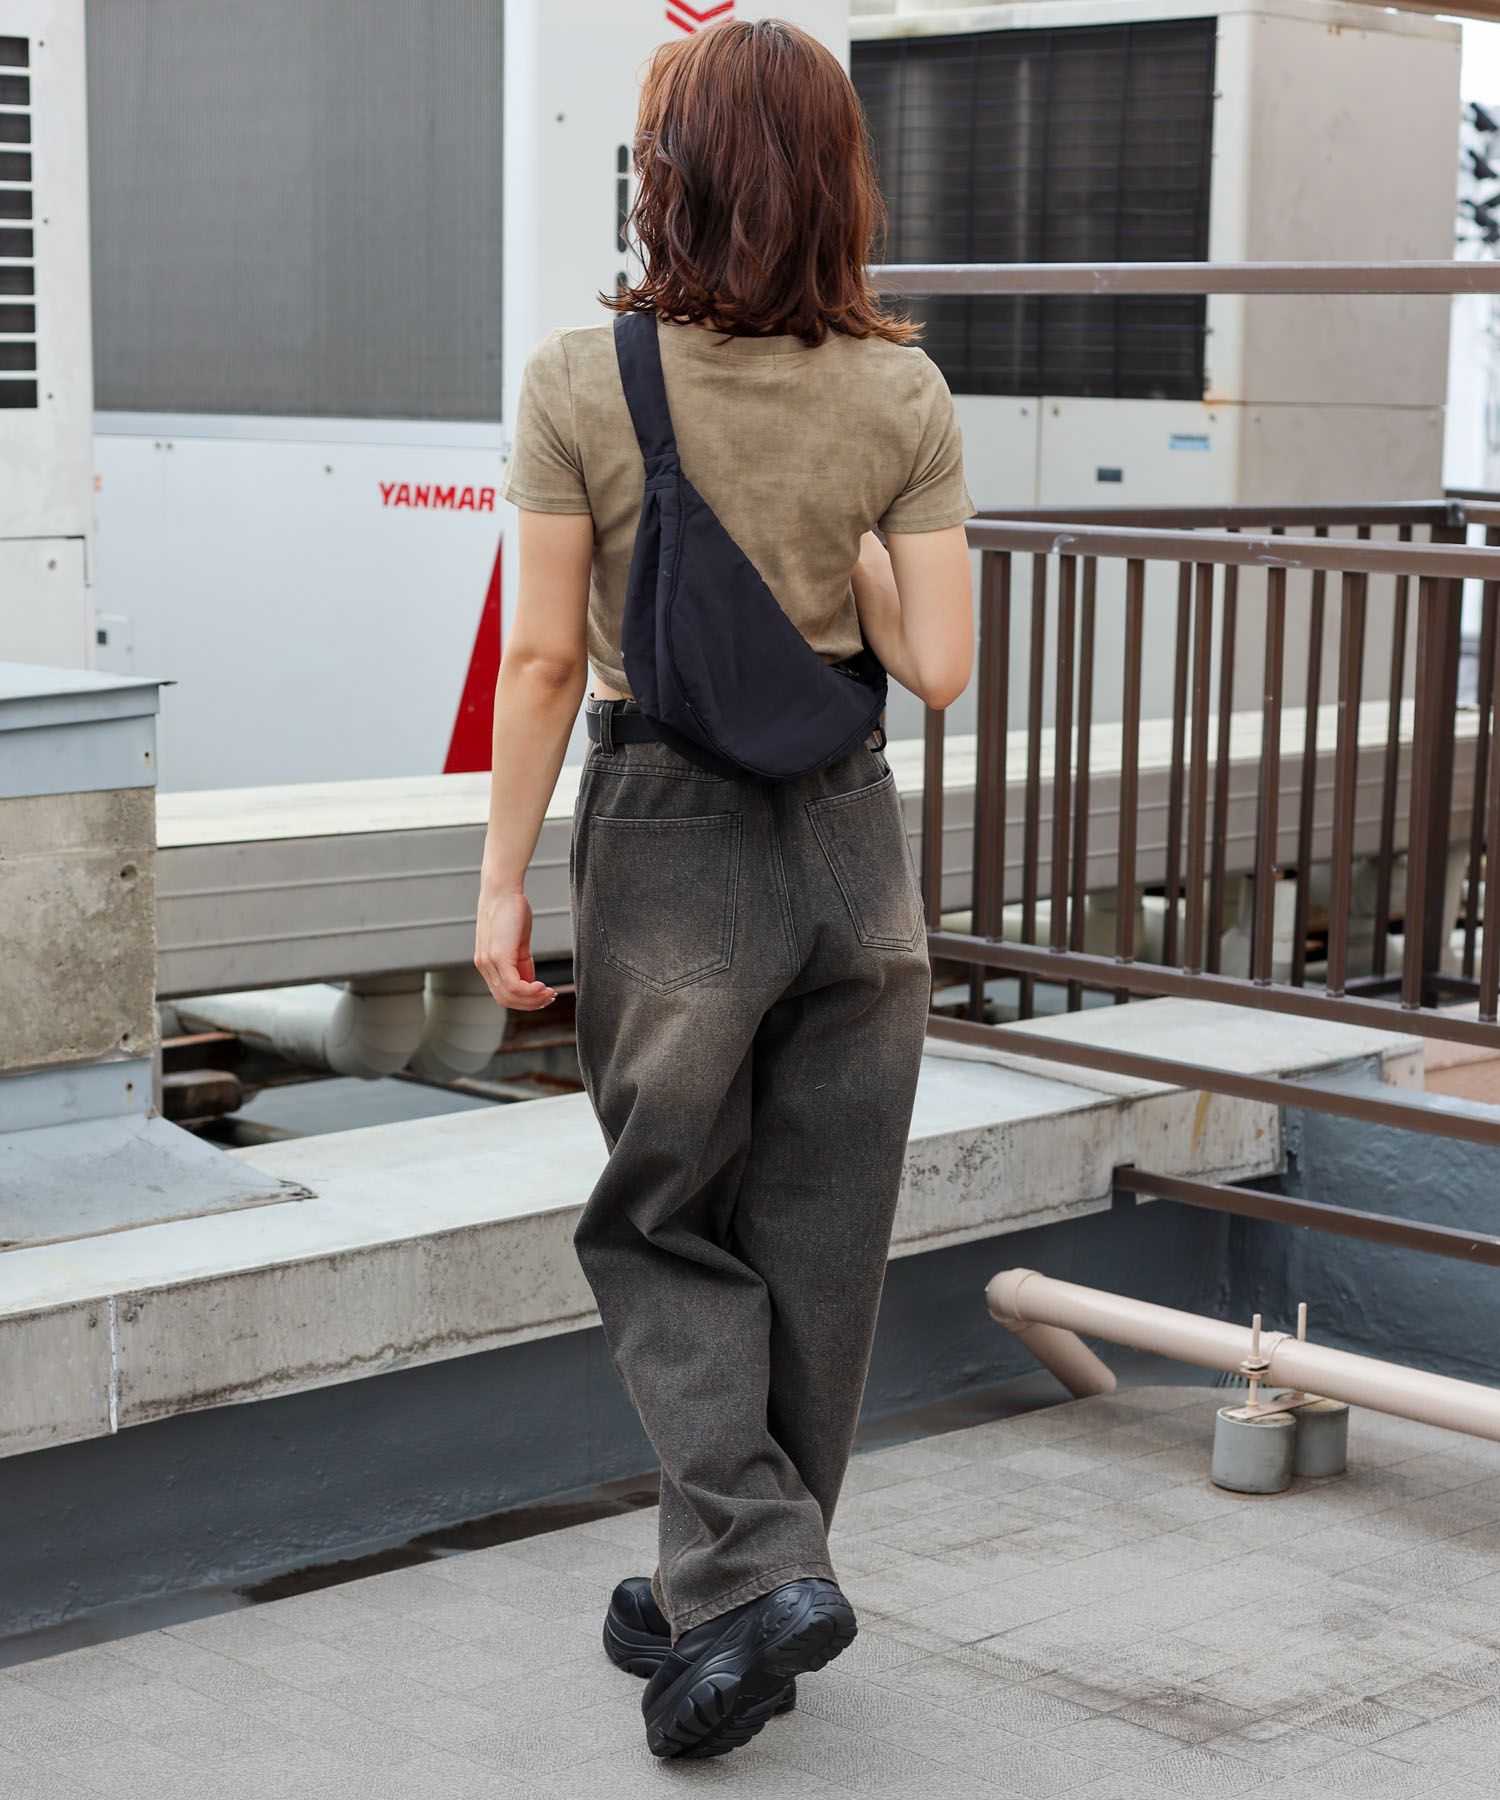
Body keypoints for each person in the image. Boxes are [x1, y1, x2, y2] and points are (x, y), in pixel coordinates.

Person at [475, 16, 974, 1763]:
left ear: (669, 179)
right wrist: (856, 563)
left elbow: (545, 660)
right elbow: (941, 667)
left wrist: (498, 881)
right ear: (837, 177)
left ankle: (752, 1573)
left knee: (660, 1216)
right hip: (853, 842)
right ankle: (736, 1581)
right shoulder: (902, 392)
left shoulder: (579, 377)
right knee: (820, 1236)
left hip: (670, 838)